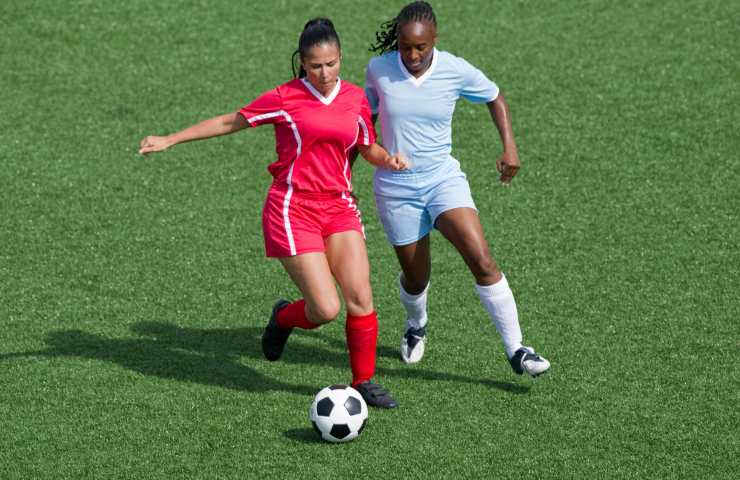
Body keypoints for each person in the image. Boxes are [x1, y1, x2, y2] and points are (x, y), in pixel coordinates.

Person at [139, 18, 407, 408]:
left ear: (340, 59)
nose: (325, 73)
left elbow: (367, 146)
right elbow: (231, 121)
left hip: (339, 207)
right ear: (302, 62)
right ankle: (283, 318)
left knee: (360, 297)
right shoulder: (285, 97)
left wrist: (390, 160)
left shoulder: (354, 98)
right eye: (315, 65)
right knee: (325, 309)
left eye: (331, 64)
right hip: (292, 209)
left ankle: (363, 381)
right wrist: (171, 138)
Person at [363, 1, 550, 376]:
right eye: (405, 46)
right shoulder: (379, 70)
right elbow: (362, 123)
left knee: (480, 257)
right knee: (416, 279)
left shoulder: (454, 69)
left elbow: (494, 96)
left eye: (421, 47)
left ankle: (517, 349)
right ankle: (417, 325)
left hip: (442, 180)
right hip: (396, 189)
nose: (413, 55)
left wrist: (509, 146)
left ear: (435, 40)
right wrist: (342, 176)